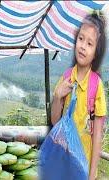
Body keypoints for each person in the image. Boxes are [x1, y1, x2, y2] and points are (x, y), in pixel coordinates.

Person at [51, 11, 107, 180]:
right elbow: (55, 122)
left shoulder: (96, 86)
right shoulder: (66, 78)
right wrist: (57, 97)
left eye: (90, 43)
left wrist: (91, 176)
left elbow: (97, 136)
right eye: (81, 39)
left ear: (96, 52)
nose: (83, 46)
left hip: (84, 169)